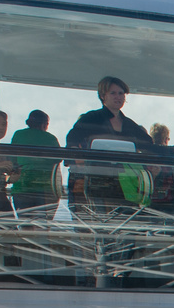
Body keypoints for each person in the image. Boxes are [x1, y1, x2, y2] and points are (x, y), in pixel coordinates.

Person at [64, 76, 154, 212]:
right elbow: (72, 138)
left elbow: (148, 144)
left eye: (121, 93)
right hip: (97, 182)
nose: (118, 97)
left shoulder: (129, 124)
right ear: (103, 96)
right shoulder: (91, 118)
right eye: (113, 93)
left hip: (125, 184)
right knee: (101, 224)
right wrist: (77, 157)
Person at [8, 110, 61, 214]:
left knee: (25, 226)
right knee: (42, 226)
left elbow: (12, 159)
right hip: (45, 188)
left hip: (21, 187)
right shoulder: (50, 139)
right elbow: (58, 160)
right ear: (44, 124)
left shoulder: (18, 135)